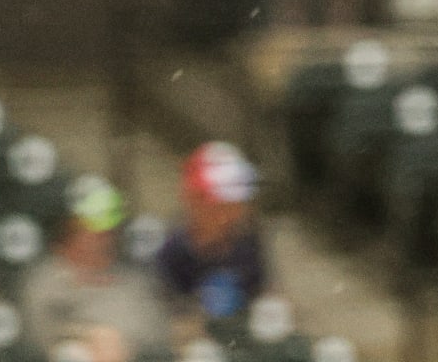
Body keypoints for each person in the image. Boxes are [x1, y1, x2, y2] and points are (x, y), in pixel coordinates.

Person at [22, 182, 171, 362]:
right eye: (93, 229)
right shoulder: (47, 282)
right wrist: (88, 336)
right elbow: (38, 337)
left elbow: (158, 335)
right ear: (68, 229)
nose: (105, 238)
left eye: (110, 230)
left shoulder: (134, 282)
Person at [156, 141, 270, 344]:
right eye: (222, 205)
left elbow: (263, 296)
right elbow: (169, 323)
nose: (234, 214)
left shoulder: (248, 244)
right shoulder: (172, 253)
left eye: (238, 204)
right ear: (194, 201)